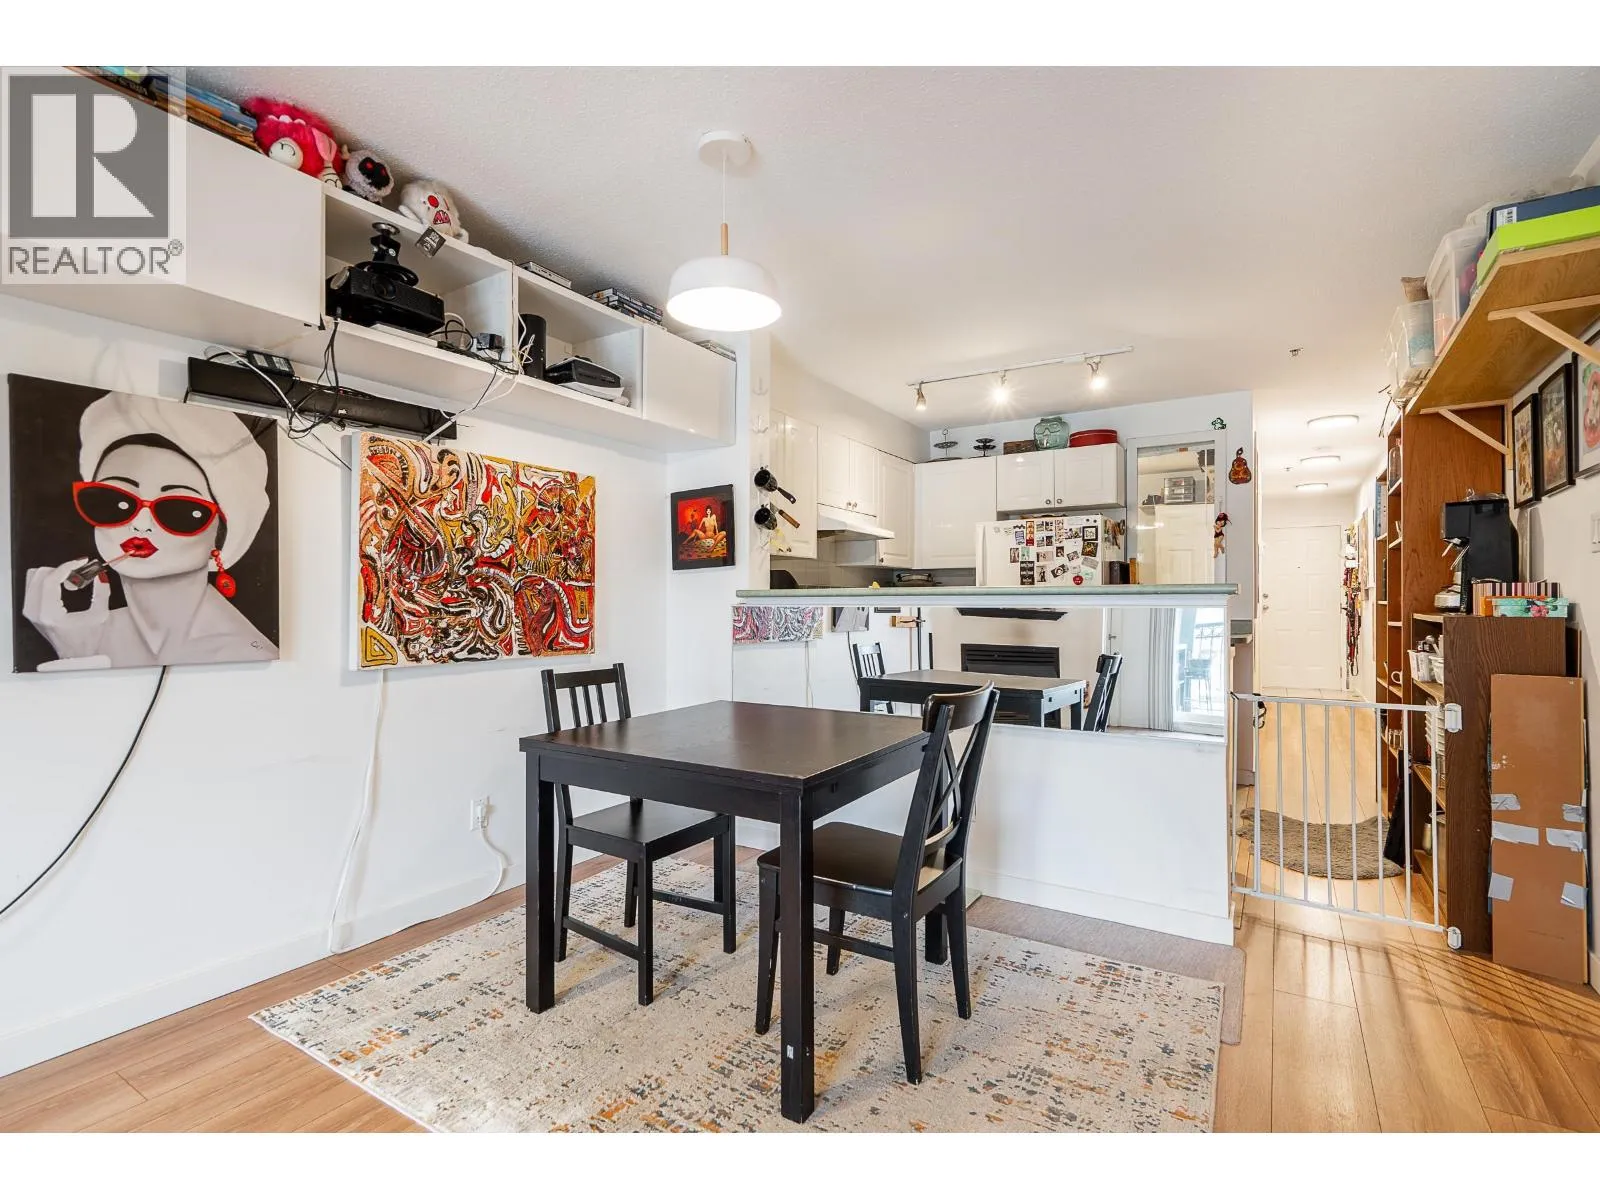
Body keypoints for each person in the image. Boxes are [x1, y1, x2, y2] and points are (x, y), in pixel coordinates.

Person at [21, 392, 277, 670]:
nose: (141, 524)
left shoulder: (240, 653)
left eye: (179, 510)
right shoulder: (87, 634)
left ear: (221, 536)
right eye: (116, 502)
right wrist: (75, 652)